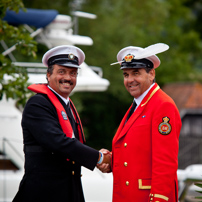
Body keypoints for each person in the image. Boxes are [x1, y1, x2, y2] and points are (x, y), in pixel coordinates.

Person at [12, 45, 111, 202]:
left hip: (69, 192)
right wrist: (99, 158)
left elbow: (72, 148)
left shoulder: (67, 106)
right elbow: (58, 142)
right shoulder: (38, 104)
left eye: (73, 73)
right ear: (48, 74)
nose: (68, 78)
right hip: (42, 195)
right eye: (61, 72)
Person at [98, 43, 182, 202]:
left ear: (151, 74)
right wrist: (110, 159)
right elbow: (134, 153)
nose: (130, 80)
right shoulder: (139, 104)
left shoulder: (162, 105)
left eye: (136, 73)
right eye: (126, 75)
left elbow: (165, 163)